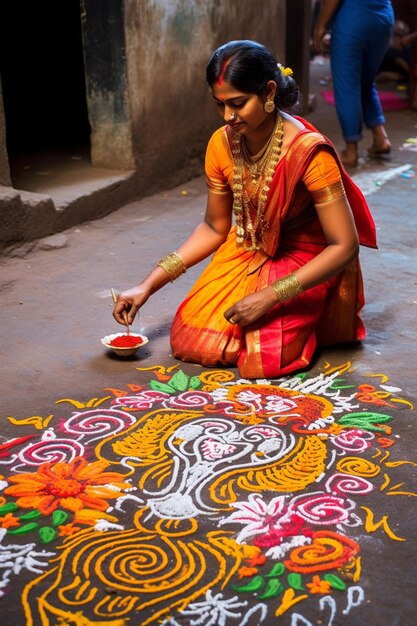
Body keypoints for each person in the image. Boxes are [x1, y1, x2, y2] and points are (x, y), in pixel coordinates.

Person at [113, 40, 377, 380]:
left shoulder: (310, 153)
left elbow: (344, 245)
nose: (228, 116)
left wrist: (271, 296)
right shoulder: (221, 144)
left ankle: (319, 314)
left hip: (306, 255)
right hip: (249, 245)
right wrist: (147, 285)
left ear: (268, 92)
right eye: (220, 104)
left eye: (238, 104)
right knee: (195, 341)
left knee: (264, 359)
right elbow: (214, 227)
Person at [313, 0, 394, 166]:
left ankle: (351, 151)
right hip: (383, 17)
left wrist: (320, 25)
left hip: (352, 18)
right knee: (366, 80)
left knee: (347, 87)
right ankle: (380, 138)